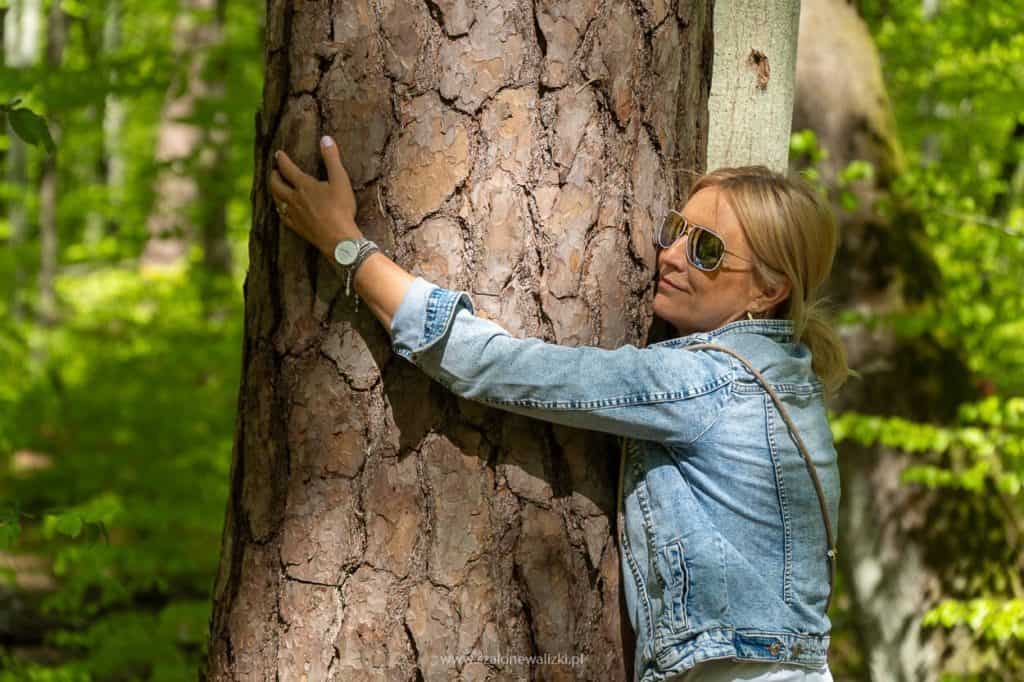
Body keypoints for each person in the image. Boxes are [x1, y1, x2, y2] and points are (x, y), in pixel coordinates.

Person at [269, 135, 848, 682]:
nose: (670, 255)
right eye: (676, 230)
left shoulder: (708, 381)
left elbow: (498, 365)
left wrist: (346, 245)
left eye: (706, 249)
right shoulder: (788, 382)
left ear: (769, 290)